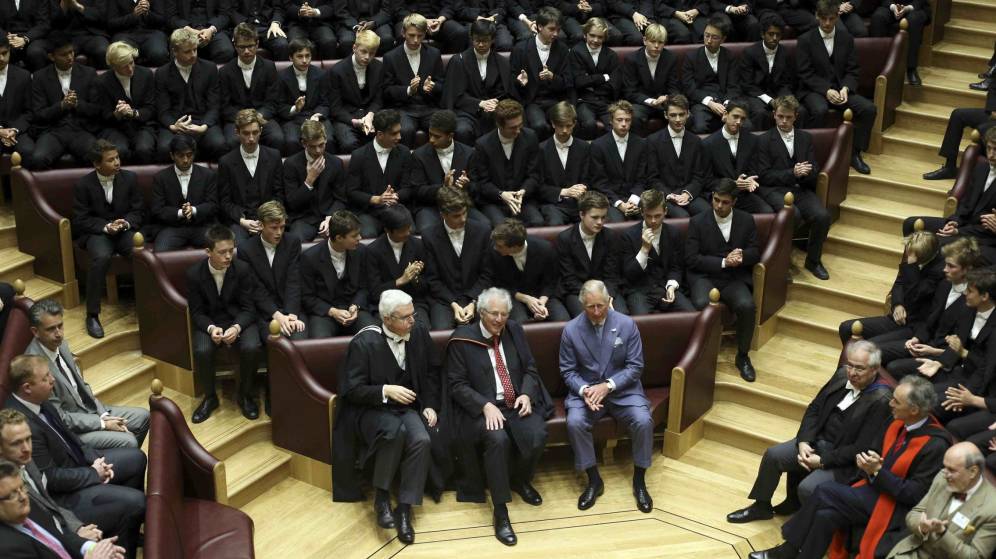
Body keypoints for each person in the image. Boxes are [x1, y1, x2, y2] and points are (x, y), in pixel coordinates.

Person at [749, 375, 951, 559]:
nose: (890, 403)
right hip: (874, 487)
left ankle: (786, 551)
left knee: (823, 491)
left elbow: (915, 494)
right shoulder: (897, 422)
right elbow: (873, 449)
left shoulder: (935, 445)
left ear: (914, 410)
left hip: (894, 505)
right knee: (825, 516)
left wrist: (877, 472)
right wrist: (871, 464)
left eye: (896, 401)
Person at [727, 340, 892, 524]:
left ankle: (805, 527)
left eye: (859, 368)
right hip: (816, 442)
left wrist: (822, 461)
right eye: (850, 365)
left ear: (875, 369)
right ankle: (761, 506)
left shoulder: (881, 400)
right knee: (773, 456)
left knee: (807, 488)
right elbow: (815, 408)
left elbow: (861, 448)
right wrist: (804, 441)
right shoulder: (841, 375)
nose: (852, 373)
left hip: (843, 461)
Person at [4, 355, 146, 558]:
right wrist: (93, 474)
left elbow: (72, 438)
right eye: (45, 378)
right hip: (66, 496)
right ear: (27, 388)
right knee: (136, 501)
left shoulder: (40, 401)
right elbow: (52, 482)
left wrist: (96, 461)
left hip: (78, 466)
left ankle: (125, 526)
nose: (52, 380)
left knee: (136, 459)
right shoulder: (21, 431)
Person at [333, 290, 439, 544]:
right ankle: (381, 498)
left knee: (422, 440)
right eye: (405, 317)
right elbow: (351, 390)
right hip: (370, 410)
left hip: (406, 407)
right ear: (387, 319)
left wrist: (430, 405)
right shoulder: (364, 342)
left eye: (413, 314)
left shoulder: (419, 332)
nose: (412, 320)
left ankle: (405, 507)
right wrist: (384, 390)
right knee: (394, 431)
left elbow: (431, 373)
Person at [447, 288, 551, 546]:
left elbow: (530, 368)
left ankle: (520, 480)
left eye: (504, 314)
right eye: (494, 314)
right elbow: (457, 385)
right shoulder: (462, 339)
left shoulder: (514, 330)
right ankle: (501, 511)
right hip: (483, 407)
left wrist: (526, 393)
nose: (499, 319)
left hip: (514, 402)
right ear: (481, 313)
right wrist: (483, 405)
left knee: (537, 434)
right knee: (498, 440)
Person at [561, 279, 655, 512]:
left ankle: (639, 480)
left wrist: (608, 386)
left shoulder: (627, 324)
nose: (596, 312)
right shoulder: (571, 330)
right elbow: (568, 371)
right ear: (582, 305)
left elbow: (635, 367)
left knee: (643, 421)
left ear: (609, 301)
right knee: (574, 422)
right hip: (588, 392)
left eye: (600, 306)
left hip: (622, 390)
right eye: (590, 307)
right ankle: (594, 480)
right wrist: (585, 390)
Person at [25, 299, 150, 449]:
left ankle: (122, 459)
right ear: (35, 332)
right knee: (129, 441)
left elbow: (82, 385)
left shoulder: (61, 344)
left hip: (89, 410)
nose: (58, 333)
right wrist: (103, 424)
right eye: (51, 329)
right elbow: (61, 418)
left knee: (143, 417)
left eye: (60, 326)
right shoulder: (35, 367)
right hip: (72, 430)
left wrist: (103, 414)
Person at [686, 178, 760, 381]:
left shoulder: (746, 220)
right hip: (705, 276)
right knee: (702, 304)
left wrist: (742, 256)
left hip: (732, 278)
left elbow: (755, 252)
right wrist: (723, 262)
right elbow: (692, 259)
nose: (719, 205)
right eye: (716, 200)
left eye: (725, 202)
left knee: (747, 306)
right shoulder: (697, 222)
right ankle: (700, 356)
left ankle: (743, 356)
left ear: (734, 201)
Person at [188, 227, 262, 426]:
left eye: (231, 250)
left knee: (252, 346)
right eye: (222, 252)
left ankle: (245, 395)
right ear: (208, 252)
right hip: (211, 321)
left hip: (239, 320)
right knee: (202, 350)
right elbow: (197, 313)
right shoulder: (194, 274)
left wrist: (237, 327)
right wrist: (211, 328)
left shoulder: (243, 270)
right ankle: (210, 397)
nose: (228, 256)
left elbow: (249, 309)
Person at [71, 141, 143, 339]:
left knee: (142, 255)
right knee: (101, 257)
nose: (117, 162)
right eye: (111, 160)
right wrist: (105, 227)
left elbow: (138, 211)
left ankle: (150, 304)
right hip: (98, 233)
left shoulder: (130, 178)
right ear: (97, 164)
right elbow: (81, 220)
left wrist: (125, 223)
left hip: (123, 230)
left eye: (117, 157)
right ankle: (92, 315)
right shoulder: (83, 185)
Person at [796, 0, 877, 175]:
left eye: (831, 19)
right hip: (813, 90)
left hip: (840, 90)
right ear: (817, 16)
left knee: (869, 109)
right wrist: (826, 90)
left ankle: (854, 154)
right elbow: (805, 73)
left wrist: (846, 88)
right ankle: (812, 156)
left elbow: (853, 70)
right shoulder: (805, 40)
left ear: (837, 17)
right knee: (819, 110)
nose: (827, 23)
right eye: (823, 18)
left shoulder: (846, 38)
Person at [0, 409, 103, 545]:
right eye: (16, 443)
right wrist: (76, 538)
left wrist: (76, 527)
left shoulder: (26, 460)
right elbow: (33, 533)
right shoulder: (5, 485)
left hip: (61, 520)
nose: (26, 448)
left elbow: (48, 502)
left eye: (28, 439)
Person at [758, 95, 831, 280]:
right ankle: (782, 262)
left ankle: (813, 261)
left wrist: (808, 172)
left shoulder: (805, 138)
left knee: (822, 216)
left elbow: (814, 167)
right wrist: (793, 172)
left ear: (796, 116)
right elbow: (764, 176)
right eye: (780, 116)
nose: (784, 121)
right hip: (774, 190)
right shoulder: (764, 140)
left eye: (788, 117)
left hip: (800, 188)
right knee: (793, 215)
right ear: (774, 115)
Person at [0, 458, 128, 559]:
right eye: (12, 495)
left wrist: (91, 547)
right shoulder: (6, 549)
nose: (23, 497)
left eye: (22, 487)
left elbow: (57, 538)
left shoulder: (28, 507)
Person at [886, 442, 996, 558]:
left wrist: (943, 533)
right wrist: (921, 526)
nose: (945, 474)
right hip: (912, 551)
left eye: (952, 470)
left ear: (973, 472)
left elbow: (976, 556)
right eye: (944, 467)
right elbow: (915, 512)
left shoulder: (992, 508)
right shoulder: (942, 478)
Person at [838, 231, 943, 346]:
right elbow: (899, 282)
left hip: (915, 327)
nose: (907, 255)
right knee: (846, 328)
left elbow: (916, 294)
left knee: (869, 346)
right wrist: (898, 304)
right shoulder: (915, 256)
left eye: (911, 254)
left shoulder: (939, 271)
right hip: (897, 318)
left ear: (921, 256)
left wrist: (911, 265)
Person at [915, 128, 996, 263]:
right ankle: (906, 275)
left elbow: (987, 229)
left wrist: (958, 231)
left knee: (931, 244)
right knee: (910, 224)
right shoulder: (981, 167)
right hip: (963, 225)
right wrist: (955, 221)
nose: (991, 155)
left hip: (982, 238)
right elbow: (965, 203)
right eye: (989, 148)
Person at [236, 200, 307, 346]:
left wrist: (291, 315)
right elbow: (255, 288)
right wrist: (278, 316)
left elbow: (294, 279)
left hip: (291, 307)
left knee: (300, 342)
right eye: (274, 228)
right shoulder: (246, 250)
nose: (279, 232)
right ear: (261, 225)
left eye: (282, 227)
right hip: (266, 312)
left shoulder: (292, 242)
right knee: (278, 343)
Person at [421, 187, 494, 329]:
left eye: (465, 213)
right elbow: (432, 279)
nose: (463, 219)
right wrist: (453, 304)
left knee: (489, 327)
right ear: (443, 215)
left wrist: (473, 302)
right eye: (456, 216)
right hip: (444, 299)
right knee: (442, 330)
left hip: (478, 295)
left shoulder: (483, 231)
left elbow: (487, 274)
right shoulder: (429, 236)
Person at [27, 34, 100, 170]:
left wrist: (77, 104)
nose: (70, 57)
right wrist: (61, 106)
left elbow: (97, 110)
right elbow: (39, 114)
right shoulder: (39, 77)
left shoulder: (89, 73)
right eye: (64, 54)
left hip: (81, 130)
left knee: (98, 158)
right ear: (51, 57)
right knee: (38, 160)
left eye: (71, 52)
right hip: (53, 131)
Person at [300, 210, 376, 338]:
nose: (360, 238)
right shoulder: (310, 258)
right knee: (320, 342)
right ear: (339, 238)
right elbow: (307, 297)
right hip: (325, 313)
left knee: (373, 334)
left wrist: (355, 305)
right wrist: (333, 311)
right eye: (354, 236)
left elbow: (365, 287)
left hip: (353, 309)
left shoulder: (361, 251)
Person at [155, 28, 226, 162]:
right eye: (187, 51)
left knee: (218, 144)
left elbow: (214, 105)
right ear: (175, 51)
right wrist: (173, 126)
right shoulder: (162, 73)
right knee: (164, 148)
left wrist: (204, 126)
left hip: (203, 120)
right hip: (175, 122)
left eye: (195, 50)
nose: (193, 55)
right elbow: (162, 109)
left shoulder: (210, 69)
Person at [619, 190, 696, 314]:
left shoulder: (674, 233)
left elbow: (676, 267)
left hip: (665, 286)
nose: (653, 221)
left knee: (690, 314)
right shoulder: (628, 236)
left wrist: (671, 286)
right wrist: (644, 249)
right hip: (639, 291)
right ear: (642, 212)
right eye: (649, 216)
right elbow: (629, 274)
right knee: (642, 320)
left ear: (665, 211)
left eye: (658, 215)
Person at [404, 110, 482, 232]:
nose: (431, 140)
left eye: (437, 136)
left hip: (461, 206)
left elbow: (477, 188)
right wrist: (443, 187)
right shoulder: (419, 155)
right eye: (430, 134)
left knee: (483, 226)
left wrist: (467, 185)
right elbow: (417, 191)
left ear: (450, 136)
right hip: (431, 207)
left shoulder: (469, 153)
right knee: (427, 230)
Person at [470, 99, 544, 227]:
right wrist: (501, 194)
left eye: (520, 125)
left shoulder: (530, 137)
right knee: (501, 228)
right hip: (494, 201)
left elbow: (534, 175)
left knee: (537, 222)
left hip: (522, 199)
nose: (518, 131)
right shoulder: (483, 145)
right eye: (513, 128)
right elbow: (482, 182)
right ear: (499, 125)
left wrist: (523, 191)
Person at [441, 20, 514, 145]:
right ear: (471, 38)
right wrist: (479, 103)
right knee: (462, 130)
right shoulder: (458, 61)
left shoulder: (501, 62)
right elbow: (454, 95)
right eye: (477, 40)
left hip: (493, 111)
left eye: (485, 41)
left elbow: (504, 91)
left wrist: (494, 102)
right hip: (466, 112)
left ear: (493, 40)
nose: (480, 44)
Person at [556, 191, 628, 317]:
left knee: (620, 315)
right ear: (581, 215)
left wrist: (606, 295)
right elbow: (569, 279)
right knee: (586, 317)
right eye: (595, 217)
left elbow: (611, 275)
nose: (600, 222)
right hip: (577, 291)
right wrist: (593, 297)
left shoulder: (610, 237)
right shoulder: (565, 238)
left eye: (603, 217)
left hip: (605, 290)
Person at [218, 108, 285, 243]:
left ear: (261, 131)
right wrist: (242, 221)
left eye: (255, 132)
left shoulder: (274, 156)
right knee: (241, 246)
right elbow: (225, 202)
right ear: (237, 132)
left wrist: (266, 220)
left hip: (268, 219)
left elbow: (279, 194)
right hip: (240, 222)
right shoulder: (226, 162)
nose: (251, 138)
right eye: (246, 133)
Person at [344, 109, 412, 238]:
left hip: (396, 210)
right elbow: (352, 191)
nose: (399, 137)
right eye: (394, 133)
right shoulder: (359, 155)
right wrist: (376, 199)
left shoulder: (405, 153)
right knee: (368, 235)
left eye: (399, 132)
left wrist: (394, 196)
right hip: (369, 212)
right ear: (380, 134)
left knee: (409, 233)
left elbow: (408, 187)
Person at [509, 6, 572, 141]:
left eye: (558, 30)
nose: (556, 34)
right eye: (551, 29)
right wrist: (520, 82)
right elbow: (511, 81)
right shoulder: (520, 49)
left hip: (554, 100)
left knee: (564, 123)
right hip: (532, 101)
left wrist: (553, 77)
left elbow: (568, 82)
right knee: (539, 125)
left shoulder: (562, 49)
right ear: (539, 27)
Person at [383, 14, 446, 148]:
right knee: (405, 130)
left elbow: (442, 85)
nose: (416, 40)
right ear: (403, 33)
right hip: (403, 108)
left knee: (442, 129)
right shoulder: (390, 57)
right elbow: (387, 90)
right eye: (411, 35)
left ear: (425, 34)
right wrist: (408, 90)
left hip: (429, 107)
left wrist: (433, 86)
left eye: (420, 36)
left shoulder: (434, 54)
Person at [488, 219, 569, 322]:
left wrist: (541, 303)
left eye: (500, 246)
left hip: (543, 294)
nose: (495, 248)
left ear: (515, 247)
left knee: (562, 319)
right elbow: (496, 283)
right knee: (520, 323)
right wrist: (525, 298)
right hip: (513, 296)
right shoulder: (494, 252)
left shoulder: (545, 249)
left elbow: (551, 281)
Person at [590, 100, 658, 222]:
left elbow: (642, 178)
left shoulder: (641, 144)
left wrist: (634, 199)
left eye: (627, 120)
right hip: (610, 199)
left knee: (650, 219)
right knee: (617, 223)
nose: (624, 124)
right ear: (611, 121)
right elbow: (599, 183)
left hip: (635, 197)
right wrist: (619, 204)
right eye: (619, 120)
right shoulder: (598, 146)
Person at [701, 99, 773, 214]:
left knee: (767, 212)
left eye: (742, 119)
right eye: (735, 116)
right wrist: (733, 184)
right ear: (726, 114)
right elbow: (707, 180)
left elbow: (754, 169)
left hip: (743, 194)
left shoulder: (752, 140)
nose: (739, 122)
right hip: (719, 196)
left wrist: (749, 180)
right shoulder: (708, 144)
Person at [220, 23, 283, 152]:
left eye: (250, 46)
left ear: (257, 44)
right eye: (242, 47)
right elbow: (224, 106)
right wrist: (243, 119)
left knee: (277, 138)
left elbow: (272, 101)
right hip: (236, 119)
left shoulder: (269, 67)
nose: (246, 51)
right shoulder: (225, 71)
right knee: (232, 142)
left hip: (262, 117)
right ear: (235, 46)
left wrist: (258, 117)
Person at [366, 207, 432, 329]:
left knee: (421, 329)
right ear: (388, 230)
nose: (407, 233)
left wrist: (415, 277)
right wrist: (400, 280)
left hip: (414, 303)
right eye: (402, 230)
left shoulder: (418, 245)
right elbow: (374, 293)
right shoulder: (373, 251)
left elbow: (427, 287)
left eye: (409, 228)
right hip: (386, 307)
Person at [150, 134, 218, 251]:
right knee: (161, 251)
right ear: (172, 155)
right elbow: (157, 210)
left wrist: (194, 210)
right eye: (181, 156)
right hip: (172, 228)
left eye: (189, 155)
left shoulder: (208, 175)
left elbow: (213, 205)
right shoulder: (160, 178)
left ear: (194, 154)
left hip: (202, 226)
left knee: (220, 247)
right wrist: (181, 212)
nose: (186, 160)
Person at [283, 119, 346, 243]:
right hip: (304, 219)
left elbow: (341, 199)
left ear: (326, 140)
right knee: (295, 240)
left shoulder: (336, 163)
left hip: (331, 216)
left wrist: (330, 218)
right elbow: (292, 203)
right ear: (304, 143)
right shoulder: (291, 164)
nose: (318, 150)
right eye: (313, 146)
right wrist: (309, 180)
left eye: (321, 145)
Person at [94, 42, 157, 165]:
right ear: (114, 66)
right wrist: (116, 114)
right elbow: (102, 115)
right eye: (124, 66)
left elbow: (151, 108)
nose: (130, 68)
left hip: (142, 124)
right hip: (115, 127)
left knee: (143, 149)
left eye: (131, 62)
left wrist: (134, 113)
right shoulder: (101, 82)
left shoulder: (146, 74)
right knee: (119, 151)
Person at [647, 94, 710, 216]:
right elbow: (652, 178)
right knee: (682, 216)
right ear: (666, 115)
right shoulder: (653, 141)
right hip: (666, 195)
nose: (678, 119)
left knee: (708, 213)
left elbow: (699, 176)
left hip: (689, 193)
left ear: (688, 114)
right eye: (673, 115)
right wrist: (668, 195)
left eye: (681, 114)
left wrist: (687, 193)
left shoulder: (696, 141)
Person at [268, 38, 333, 156]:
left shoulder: (321, 74)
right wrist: (295, 108)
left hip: (316, 117)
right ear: (290, 57)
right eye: (299, 56)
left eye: (307, 56)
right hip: (293, 119)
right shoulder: (281, 77)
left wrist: (317, 115)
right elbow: (279, 106)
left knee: (329, 140)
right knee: (292, 142)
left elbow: (325, 102)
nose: (304, 60)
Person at [740, 13, 802, 131]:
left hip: (779, 93)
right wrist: (770, 100)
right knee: (760, 113)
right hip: (757, 95)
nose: (774, 38)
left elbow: (787, 83)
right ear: (762, 34)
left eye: (778, 34)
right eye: (771, 34)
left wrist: (783, 99)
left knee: (799, 110)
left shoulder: (785, 53)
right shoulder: (749, 53)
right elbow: (747, 85)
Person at [327, 29, 385, 154]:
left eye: (372, 53)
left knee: (386, 138)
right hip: (346, 118)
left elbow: (378, 99)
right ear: (354, 48)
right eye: (363, 51)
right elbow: (336, 108)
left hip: (371, 114)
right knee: (349, 144)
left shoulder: (379, 67)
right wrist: (354, 121)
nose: (367, 57)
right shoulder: (337, 71)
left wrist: (370, 115)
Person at [683, 14, 742, 135]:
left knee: (745, 125)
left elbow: (734, 86)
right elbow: (689, 88)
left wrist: (726, 105)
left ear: (723, 39)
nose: (709, 40)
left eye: (714, 37)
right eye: (706, 35)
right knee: (700, 127)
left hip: (726, 101)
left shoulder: (730, 57)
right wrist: (709, 102)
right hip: (701, 102)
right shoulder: (691, 57)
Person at [537, 102, 591, 226]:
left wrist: (582, 188)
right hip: (553, 205)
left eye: (568, 126)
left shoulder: (584, 147)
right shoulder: (541, 150)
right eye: (560, 126)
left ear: (574, 124)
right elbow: (539, 186)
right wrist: (563, 192)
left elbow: (589, 179)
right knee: (555, 223)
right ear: (553, 124)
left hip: (579, 203)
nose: (565, 130)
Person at [620, 24, 679, 137]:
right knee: (635, 117)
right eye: (653, 41)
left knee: (685, 116)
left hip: (664, 102)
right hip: (641, 103)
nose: (656, 46)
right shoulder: (632, 59)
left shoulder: (671, 58)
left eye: (660, 42)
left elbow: (674, 87)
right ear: (645, 40)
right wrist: (651, 101)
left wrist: (667, 97)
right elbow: (629, 92)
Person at [570, 17, 620, 141]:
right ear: (585, 34)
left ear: (604, 38)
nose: (596, 40)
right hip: (584, 101)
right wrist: (603, 77)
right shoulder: (576, 52)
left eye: (600, 37)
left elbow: (614, 84)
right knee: (589, 124)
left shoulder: (611, 55)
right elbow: (578, 82)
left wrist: (589, 81)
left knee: (615, 127)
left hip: (605, 101)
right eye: (592, 35)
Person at [869, 0, 930, 86]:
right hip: (891, 5)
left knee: (914, 19)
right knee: (878, 17)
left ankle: (911, 68)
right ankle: (877, 67)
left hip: (915, 7)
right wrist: (893, 6)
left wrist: (907, 8)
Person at [0, 35, 36, 164]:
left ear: (10, 51)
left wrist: (14, 130)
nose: (1, 58)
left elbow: (29, 112)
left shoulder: (24, 76)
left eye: (4, 53)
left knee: (28, 152)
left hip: (17, 130)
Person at [165, 0, 235, 63]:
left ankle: (210, 71)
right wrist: (188, 29)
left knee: (226, 51)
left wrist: (210, 30)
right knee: (178, 51)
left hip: (213, 28)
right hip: (184, 28)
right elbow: (171, 16)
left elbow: (225, 14)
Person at [106, 0, 170, 67]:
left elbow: (162, 21)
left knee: (159, 54)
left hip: (152, 33)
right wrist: (133, 16)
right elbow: (111, 23)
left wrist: (148, 14)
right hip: (124, 33)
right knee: (122, 56)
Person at [0, 0, 50, 71]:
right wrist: (5, 37)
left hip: (34, 38)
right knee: (4, 49)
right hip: (8, 37)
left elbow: (43, 24)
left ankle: (39, 77)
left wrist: (25, 38)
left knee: (36, 52)